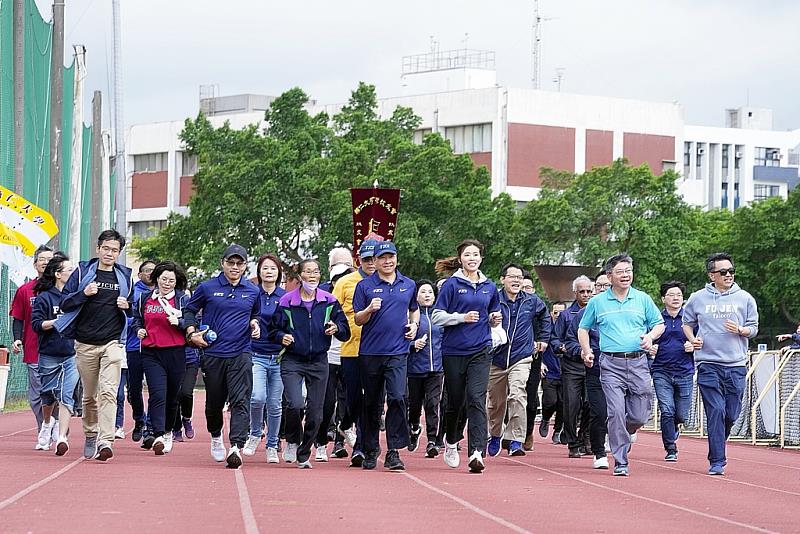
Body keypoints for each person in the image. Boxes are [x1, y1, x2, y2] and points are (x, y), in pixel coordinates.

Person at [578, 254, 664, 476]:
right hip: (611, 364)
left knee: (639, 416)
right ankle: (620, 461)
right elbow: (583, 329)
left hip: (638, 362)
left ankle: (627, 431)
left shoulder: (642, 299)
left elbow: (659, 324)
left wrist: (650, 337)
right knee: (615, 412)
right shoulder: (598, 302)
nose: (626, 275)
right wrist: (587, 352)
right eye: (620, 272)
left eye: (628, 271)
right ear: (609, 276)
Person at [55, 229, 134, 461]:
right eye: (106, 249)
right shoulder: (82, 272)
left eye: (115, 250)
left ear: (119, 253)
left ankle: (106, 441)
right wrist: (83, 293)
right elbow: (65, 303)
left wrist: (126, 305)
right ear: (98, 249)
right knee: (89, 397)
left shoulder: (125, 276)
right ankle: (91, 433)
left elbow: (133, 307)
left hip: (112, 342)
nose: (110, 253)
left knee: (109, 392)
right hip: (85, 343)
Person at [183, 244, 261, 469]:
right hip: (213, 353)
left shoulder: (252, 290)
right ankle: (216, 436)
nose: (235, 267)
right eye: (231, 263)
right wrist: (191, 333)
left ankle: (236, 446)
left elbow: (255, 313)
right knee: (214, 403)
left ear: (245, 266)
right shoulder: (207, 288)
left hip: (241, 352)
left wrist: (254, 323)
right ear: (223, 263)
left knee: (240, 400)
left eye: (240, 263)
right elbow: (189, 310)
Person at [682, 253, 758, 476]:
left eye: (731, 271)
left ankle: (718, 443)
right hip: (708, 363)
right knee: (715, 410)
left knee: (731, 414)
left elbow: (753, 327)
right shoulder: (698, 298)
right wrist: (692, 338)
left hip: (735, 364)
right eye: (723, 272)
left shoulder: (745, 298)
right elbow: (687, 323)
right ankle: (717, 460)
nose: (728, 275)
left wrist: (742, 330)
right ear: (711, 275)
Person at [270, 259, 350, 468]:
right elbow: (272, 330)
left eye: (316, 272)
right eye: (308, 272)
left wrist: (336, 328)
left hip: (319, 361)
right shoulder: (287, 301)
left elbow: (345, 330)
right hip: (293, 360)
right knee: (295, 404)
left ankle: (304, 452)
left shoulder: (329, 301)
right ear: (300, 276)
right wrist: (281, 337)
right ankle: (293, 440)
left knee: (317, 411)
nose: (312, 276)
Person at [432, 239, 502, 473]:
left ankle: (476, 452)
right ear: (460, 258)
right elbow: (436, 317)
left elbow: (493, 313)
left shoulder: (489, 286)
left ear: (481, 258)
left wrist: (493, 320)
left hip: (481, 349)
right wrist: (461, 318)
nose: (472, 258)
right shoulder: (451, 285)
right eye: (467, 255)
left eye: (475, 255)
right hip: (453, 351)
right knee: (455, 402)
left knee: (476, 398)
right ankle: (451, 442)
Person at [353, 242, 418, 470]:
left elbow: (414, 308)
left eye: (391, 257)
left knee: (398, 397)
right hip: (370, 352)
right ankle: (370, 448)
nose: (387, 261)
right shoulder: (364, 286)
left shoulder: (408, 285)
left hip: (398, 351)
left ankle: (394, 451)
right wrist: (369, 309)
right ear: (375, 261)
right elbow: (358, 319)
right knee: (371, 402)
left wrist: (414, 325)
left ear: (396, 258)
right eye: (382, 258)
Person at [487, 263, 551, 457]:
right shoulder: (493, 299)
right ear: (502, 279)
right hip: (495, 357)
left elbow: (545, 317)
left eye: (519, 277)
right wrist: (490, 321)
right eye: (512, 276)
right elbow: (482, 319)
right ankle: (496, 435)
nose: (516, 280)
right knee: (495, 403)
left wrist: (542, 339)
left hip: (521, 357)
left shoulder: (532, 301)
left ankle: (516, 439)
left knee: (517, 395)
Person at [131, 261, 190, 455]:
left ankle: (167, 432)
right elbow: (137, 319)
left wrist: (179, 322)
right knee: (157, 393)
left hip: (175, 352)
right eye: (164, 279)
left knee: (173, 397)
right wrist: (139, 329)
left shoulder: (182, 300)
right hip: (151, 352)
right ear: (156, 279)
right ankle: (157, 434)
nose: (167, 283)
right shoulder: (145, 299)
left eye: (171, 280)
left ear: (176, 282)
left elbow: (192, 322)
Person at [332, 238, 381, 467]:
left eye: (375, 258)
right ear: (358, 260)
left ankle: (362, 446)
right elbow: (332, 309)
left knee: (371, 400)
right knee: (353, 398)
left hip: (377, 350)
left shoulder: (385, 282)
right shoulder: (346, 282)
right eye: (367, 259)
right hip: (351, 347)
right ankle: (345, 423)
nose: (371, 263)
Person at [242, 254, 287, 463]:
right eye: (265, 268)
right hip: (256, 354)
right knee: (257, 397)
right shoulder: (252, 294)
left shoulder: (286, 297)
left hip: (278, 356)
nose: (269, 271)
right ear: (258, 272)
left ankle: (272, 443)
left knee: (275, 403)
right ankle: (255, 432)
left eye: (273, 268)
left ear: (279, 273)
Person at [30, 253, 76, 455]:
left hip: (71, 353)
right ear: (58, 274)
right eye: (69, 270)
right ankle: (47, 424)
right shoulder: (44, 297)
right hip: (49, 352)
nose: (72, 273)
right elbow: (36, 325)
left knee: (66, 394)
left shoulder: (74, 296)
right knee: (47, 395)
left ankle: (62, 435)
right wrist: (56, 323)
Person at [10, 244, 55, 447]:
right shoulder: (25, 290)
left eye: (50, 259)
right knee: (37, 396)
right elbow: (18, 318)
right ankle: (44, 426)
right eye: (42, 259)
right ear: (35, 264)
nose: (46, 263)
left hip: (61, 350)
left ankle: (56, 425)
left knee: (57, 393)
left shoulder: (64, 290)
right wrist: (17, 338)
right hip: (34, 349)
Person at [565, 273, 610, 469]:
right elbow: (569, 340)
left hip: (620, 367)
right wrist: (584, 351)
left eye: (589, 290)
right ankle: (582, 444)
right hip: (582, 366)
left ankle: (594, 437)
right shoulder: (578, 315)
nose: (588, 294)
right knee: (580, 405)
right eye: (598, 286)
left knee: (624, 412)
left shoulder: (633, 305)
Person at [650, 281, 694, 462]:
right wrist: (650, 348)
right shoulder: (657, 320)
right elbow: (646, 338)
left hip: (685, 371)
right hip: (662, 371)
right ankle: (670, 448)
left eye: (679, 295)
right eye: (671, 295)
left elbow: (702, 339)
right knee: (666, 410)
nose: (675, 298)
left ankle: (674, 428)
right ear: (663, 299)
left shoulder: (690, 320)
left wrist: (694, 345)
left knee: (681, 414)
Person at [315, 263, 354, 462]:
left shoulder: (359, 301)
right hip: (328, 358)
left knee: (350, 402)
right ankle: (321, 443)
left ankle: (341, 439)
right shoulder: (323, 303)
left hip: (351, 357)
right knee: (328, 403)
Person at [555, 275, 594, 458]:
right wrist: (563, 347)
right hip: (571, 365)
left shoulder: (597, 313)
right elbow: (556, 337)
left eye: (588, 291)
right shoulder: (565, 315)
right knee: (571, 404)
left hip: (592, 365)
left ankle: (585, 435)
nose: (586, 295)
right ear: (575, 293)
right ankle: (572, 442)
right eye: (582, 291)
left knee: (590, 403)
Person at [407, 280, 444, 458]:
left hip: (436, 369)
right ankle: (414, 427)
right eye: (423, 292)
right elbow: (400, 340)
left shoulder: (440, 316)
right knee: (414, 405)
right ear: (416, 296)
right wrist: (414, 344)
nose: (427, 295)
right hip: (414, 368)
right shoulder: (410, 316)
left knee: (432, 404)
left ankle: (432, 440)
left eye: (430, 292)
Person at [125, 260, 156, 443]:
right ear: (140, 274)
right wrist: (137, 325)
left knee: (155, 387)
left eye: (154, 270)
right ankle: (139, 419)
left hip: (154, 347)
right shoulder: (133, 292)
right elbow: (126, 316)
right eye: (147, 271)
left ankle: (150, 427)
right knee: (134, 389)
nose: (151, 274)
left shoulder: (161, 292)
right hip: (134, 345)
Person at [539, 302, 566, 445]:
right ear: (551, 314)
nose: (558, 316)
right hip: (549, 371)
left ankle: (558, 430)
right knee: (550, 401)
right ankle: (545, 418)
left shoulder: (568, 328)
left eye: (561, 313)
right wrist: (540, 363)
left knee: (563, 403)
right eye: (556, 313)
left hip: (565, 371)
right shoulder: (546, 329)